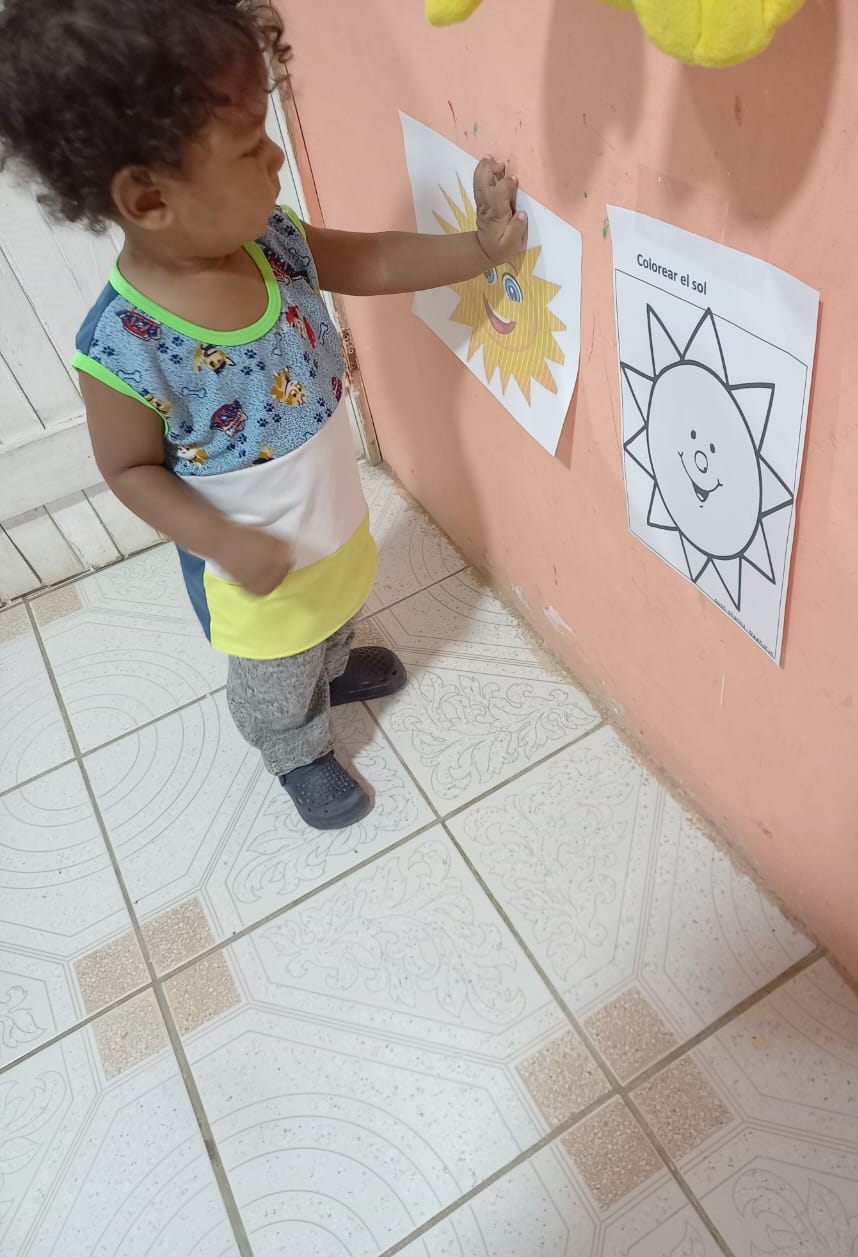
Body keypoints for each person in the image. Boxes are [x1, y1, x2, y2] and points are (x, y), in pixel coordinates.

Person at [0, 0, 527, 830]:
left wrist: (481, 249)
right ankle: (295, 747)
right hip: (250, 566)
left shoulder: (273, 241)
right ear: (147, 196)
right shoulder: (125, 346)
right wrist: (223, 541)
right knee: (276, 671)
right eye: (250, 146)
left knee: (341, 600)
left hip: (328, 511)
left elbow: (374, 257)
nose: (276, 154)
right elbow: (128, 469)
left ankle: (333, 671)